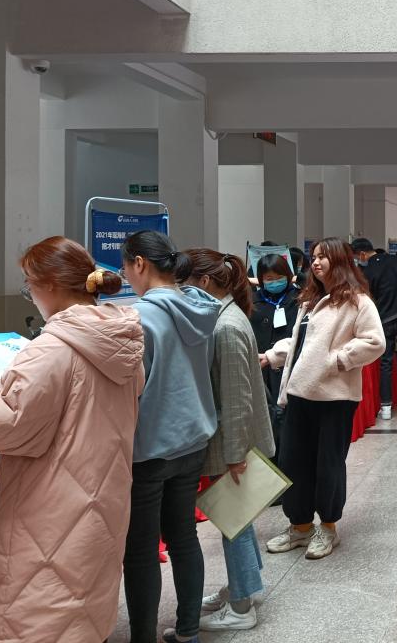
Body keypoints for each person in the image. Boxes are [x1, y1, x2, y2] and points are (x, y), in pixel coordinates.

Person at [0, 237, 144, 643]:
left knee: (40, 613)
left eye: (29, 284)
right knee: (83, 607)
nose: (29, 293)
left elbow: (11, 426)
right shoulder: (122, 340)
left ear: (51, 284)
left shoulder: (51, 349)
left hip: (46, 511)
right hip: (100, 500)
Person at [120, 230, 221, 643]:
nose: (126, 277)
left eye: (126, 268)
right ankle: (188, 630)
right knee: (183, 537)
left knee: (141, 551)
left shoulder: (140, 317)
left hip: (151, 448)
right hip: (193, 439)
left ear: (140, 263)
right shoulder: (200, 307)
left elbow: (133, 386)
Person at [262, 238, 386, 559]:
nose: (316, 262)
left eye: (323, 257)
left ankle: (328, 527)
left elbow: (375, 342)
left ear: (340, 261)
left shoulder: (357, 301)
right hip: (299, 394)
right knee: (293, 462)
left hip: (334, 398)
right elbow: (301, 344)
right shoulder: (310, 300)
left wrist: (338, 361)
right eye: (314, 257)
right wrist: (272, 356)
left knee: (328, 465)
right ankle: (300, 526)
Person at [184, 249, 276, 632]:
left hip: (232, 446)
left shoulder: (226, 327)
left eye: (186, 282)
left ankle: (241, 608)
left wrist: (236, 455)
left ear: (204, 282)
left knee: (232, 523)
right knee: (237, 520)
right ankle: (244, 586)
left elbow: (237, 399)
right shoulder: (227, 317)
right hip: (234, 443)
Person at [351, 238, 397, 420]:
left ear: (362, 254)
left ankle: (385, 408)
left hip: (383, 320)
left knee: (386, 362)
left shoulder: (366, 271)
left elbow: (366, 297)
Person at [250, 253, 302, 462]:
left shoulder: (299, 298)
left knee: (287, 421)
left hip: (289, 367)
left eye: (279, 277)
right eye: (268, 278)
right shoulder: (252, 300)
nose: (274, 282)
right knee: (265, 417)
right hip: (260, 366)